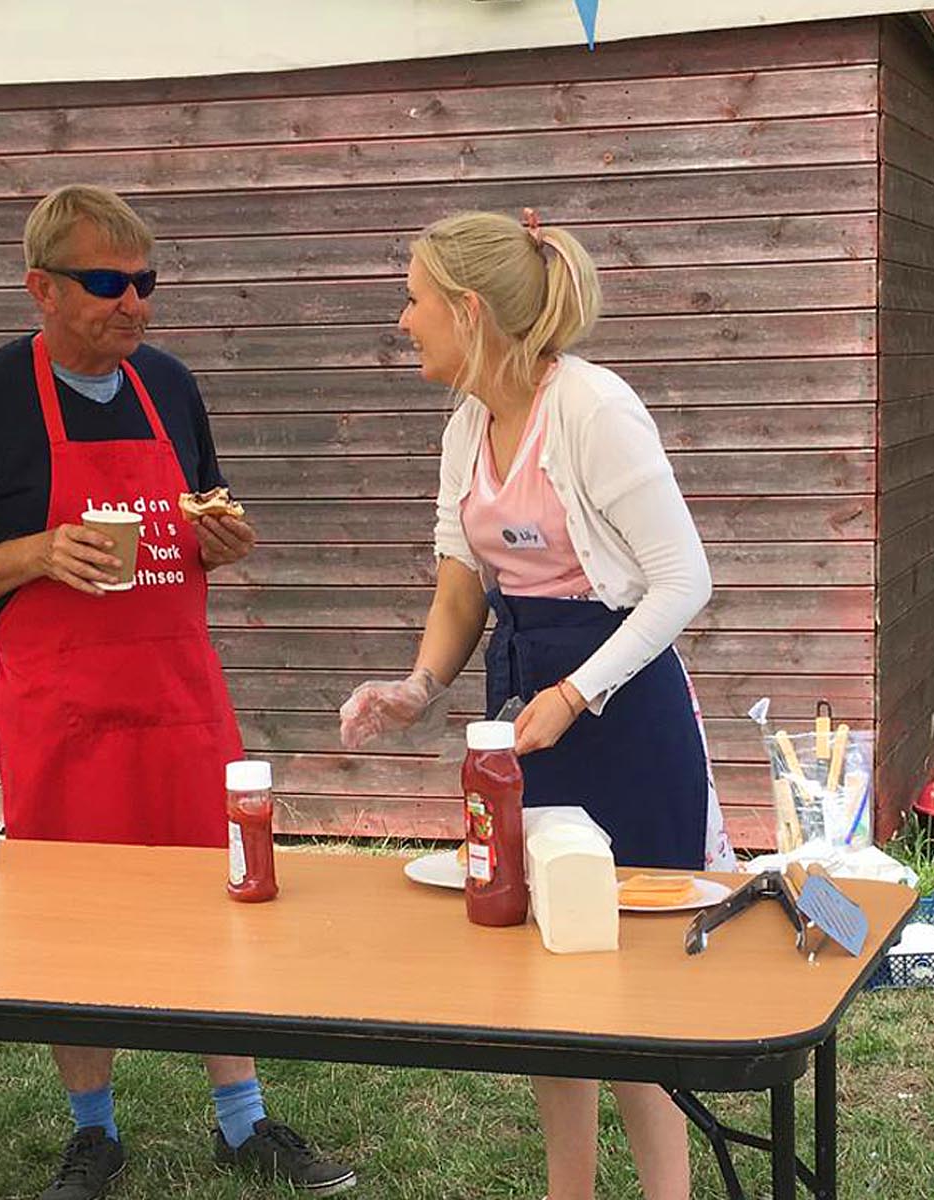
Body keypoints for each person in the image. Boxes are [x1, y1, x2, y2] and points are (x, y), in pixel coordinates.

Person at [0, 185, 354, 1200]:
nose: (134, 302)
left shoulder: (171, 387)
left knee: (220, 898)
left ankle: (242, 1120)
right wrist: (37, 552)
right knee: (70, 921)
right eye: (108, 282)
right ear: (42, 289)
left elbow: (200, 510)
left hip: (180, 694)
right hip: (59, 711)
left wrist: (219, 541)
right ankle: (92, 1132)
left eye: (145, 282)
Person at [339, 208, 736, 1200]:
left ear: (468, 312)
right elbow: (459, 588)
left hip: (622, 712)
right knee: (544, 971)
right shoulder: (465, 424)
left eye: (416, 299)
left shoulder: (593, 410)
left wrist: (575, 690)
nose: (403, 319)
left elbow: (683, 580)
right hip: (523, 706)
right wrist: (416, 688)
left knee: (631, 975)